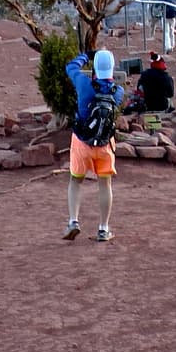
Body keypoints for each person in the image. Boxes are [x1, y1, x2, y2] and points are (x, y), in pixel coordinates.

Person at [62, 49, 125, 243]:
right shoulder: (118, 92)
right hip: (105, 145)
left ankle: (73, 221)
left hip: (81, 142)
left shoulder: (83, 84)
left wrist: (85, 55)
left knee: (75, 181)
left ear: (95, 68)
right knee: (105, 184)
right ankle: (103, 229)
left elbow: (70, 67)